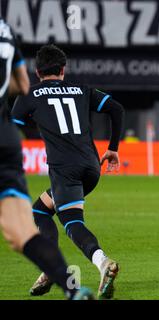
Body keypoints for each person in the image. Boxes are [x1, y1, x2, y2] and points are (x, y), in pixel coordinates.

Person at [11, 45, 125, 299]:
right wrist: (113, 148)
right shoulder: (82, 90)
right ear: (63, 70)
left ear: (37, 72)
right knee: (40, 210)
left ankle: (103, 262)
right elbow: (116, 109)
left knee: (72, 222)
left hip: (65, 170)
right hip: (92, 167)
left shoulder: (29, 93)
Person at [0, 20, 93, 300]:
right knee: (22, 229)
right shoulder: (5, 32)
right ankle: (71, 289)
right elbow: (20, 82)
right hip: (4, 138)